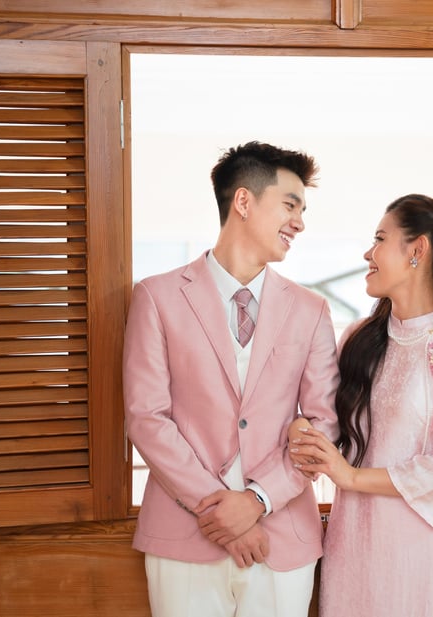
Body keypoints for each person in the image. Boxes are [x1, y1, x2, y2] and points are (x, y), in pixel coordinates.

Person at [123, 141, 340, 617]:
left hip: (282, 538)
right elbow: (146, 418)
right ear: (243, 201)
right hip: (184, 535)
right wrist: (221, 511)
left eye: (302, 211)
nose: (299, 222)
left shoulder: (311, 310)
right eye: (290, 205)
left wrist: (258, 500)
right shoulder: (156, 297)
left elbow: (323, 424)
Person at [288, 193, 433, 617]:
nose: (368, 253)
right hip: (352, 544)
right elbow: (329, 425)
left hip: (421, 552)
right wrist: (301, 430)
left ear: (417, 249)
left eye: (380, 239)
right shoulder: (357, 340)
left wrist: (349, 476)